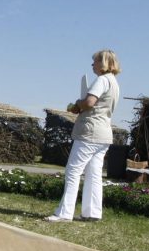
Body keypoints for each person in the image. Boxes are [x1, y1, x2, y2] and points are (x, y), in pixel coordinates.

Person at [46, 49, 121, 222]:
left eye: (94, 61)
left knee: (73, 171)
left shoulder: (101, 80)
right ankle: (92, 212)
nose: (92, 64)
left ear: (103, 63)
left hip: (90, 132)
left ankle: (64, 213)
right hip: (104, 134)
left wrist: (77, 105)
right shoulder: (114, 82)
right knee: (94, 173)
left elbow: (89, 102)